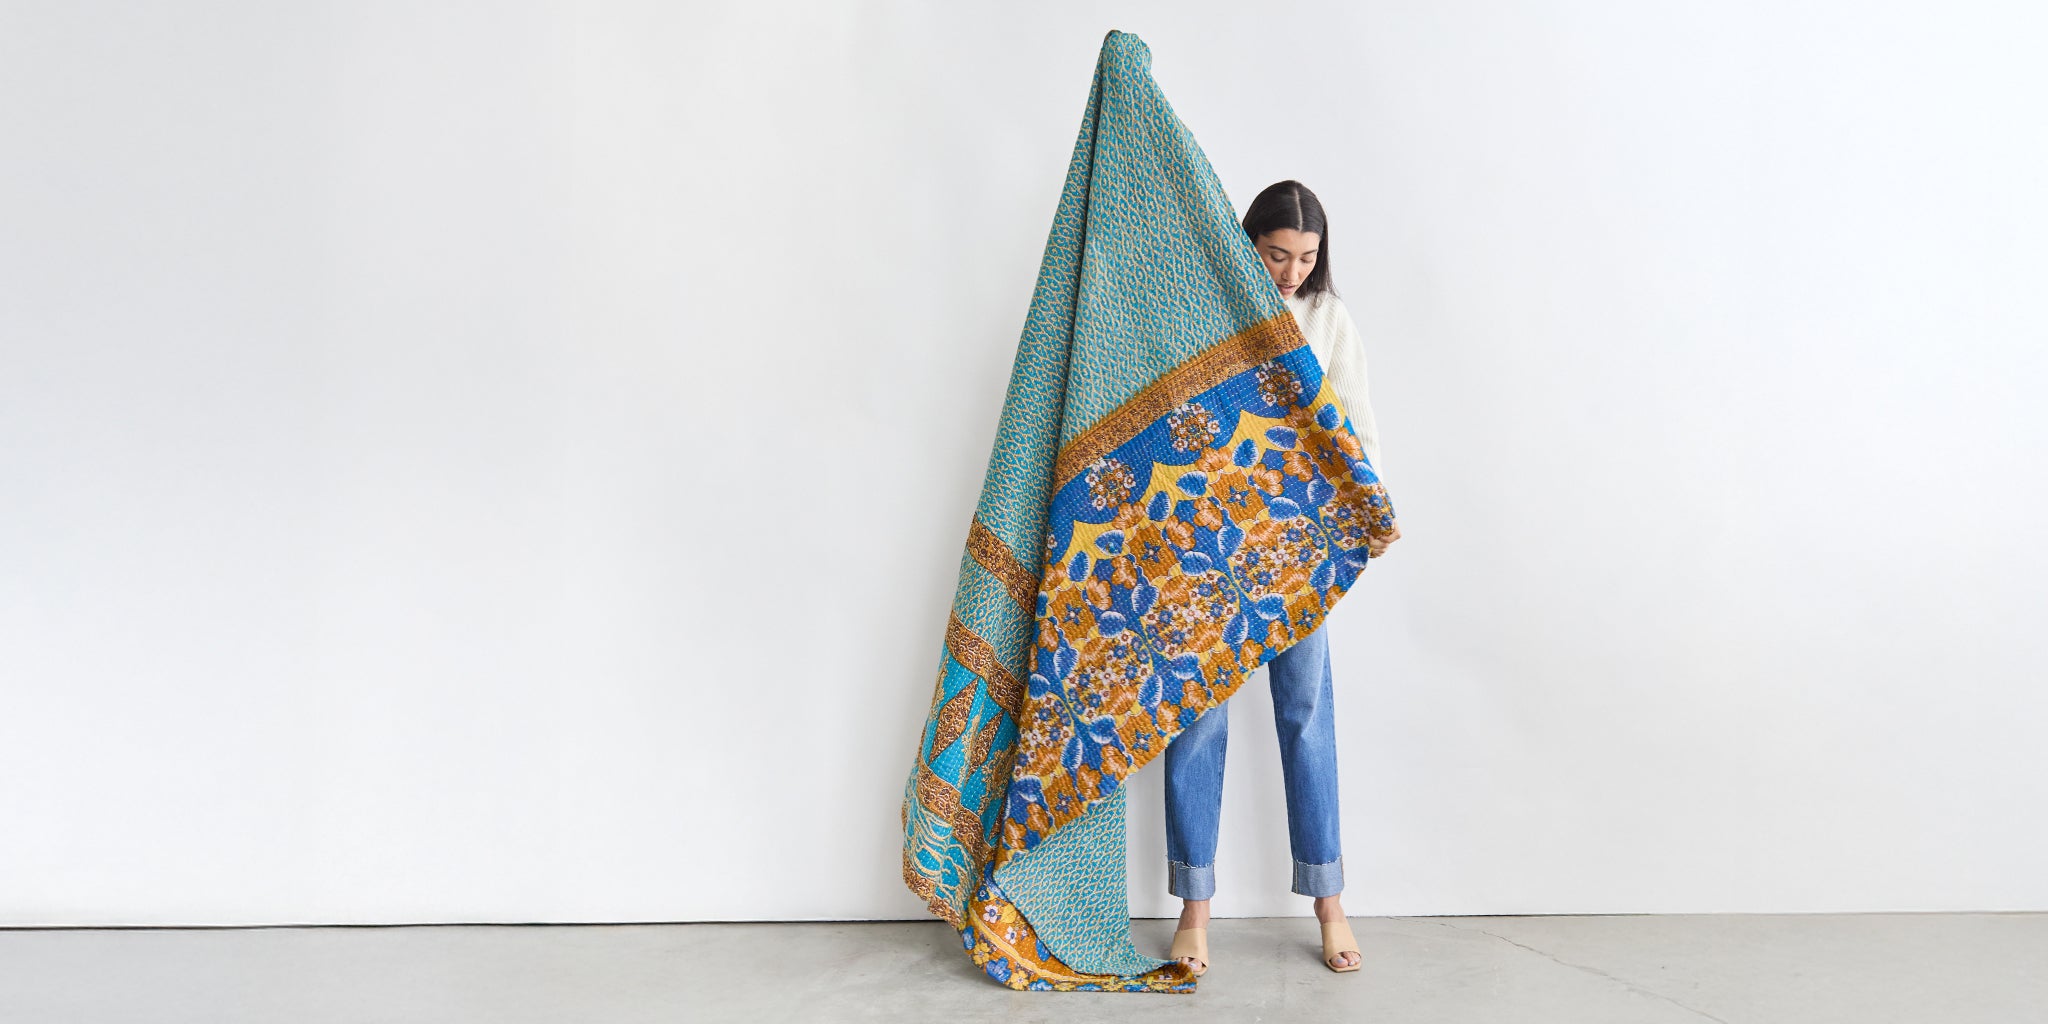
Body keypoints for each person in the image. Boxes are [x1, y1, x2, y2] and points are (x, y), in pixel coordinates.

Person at [1164, 179, 1401, 977]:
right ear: (1247, 244)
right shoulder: (1207, 317)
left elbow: (1355, 433)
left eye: (1305, 258)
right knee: (1197, 723)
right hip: (1208, 551)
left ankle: (1330, 902)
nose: (1291, 272)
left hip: (1295, 553)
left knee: (1305, 716)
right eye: (1275, 255)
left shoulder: (1328, 322)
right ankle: (1194, 910)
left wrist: (1367, 515)